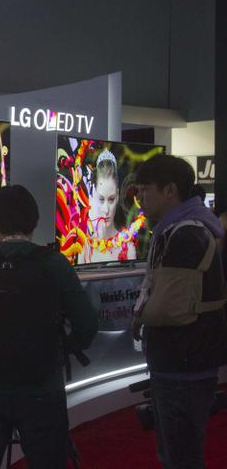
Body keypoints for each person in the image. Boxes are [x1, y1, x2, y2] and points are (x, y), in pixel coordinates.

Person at [0, 185, 98, 469]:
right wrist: (64, 347)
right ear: (34, 221)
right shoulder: (54, 264)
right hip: (42, 387)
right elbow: (87, 322)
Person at [131, 154, 226, 469]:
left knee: (180, 455)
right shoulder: (183, 229)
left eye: (146, 190)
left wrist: (140, 315)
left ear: (170, 190)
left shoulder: (185, 234)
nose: (140, 198)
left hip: (183, 365)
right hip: (184, 362)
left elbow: (169, 309)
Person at [78, 148, 136, 263]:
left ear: (118, 196)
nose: (106, 210)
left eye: (111, 199)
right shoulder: (85, 248)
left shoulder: (128, 247)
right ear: (93, 195)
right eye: (101, 199)